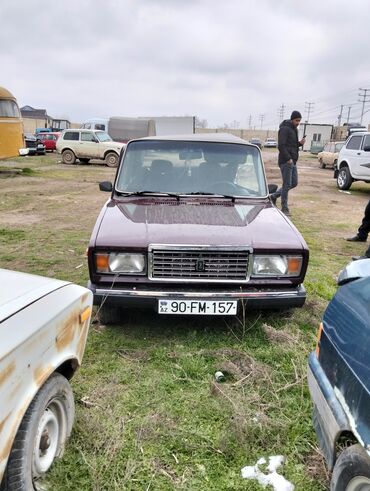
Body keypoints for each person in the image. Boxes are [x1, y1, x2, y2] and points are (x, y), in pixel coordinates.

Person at [270, 111, 306, 216]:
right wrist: (288, 158)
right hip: (286, 161)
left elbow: (292, 145)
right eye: (297, 120)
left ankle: (273, 196)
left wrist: (299, 143)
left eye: (299, 120)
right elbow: (281, 145)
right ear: (292, 119)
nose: (298, 122)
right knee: (286, 184)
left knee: (294, 183)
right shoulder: (284, 129)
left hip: (293, 161)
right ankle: (284, 209)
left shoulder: (294, 129)